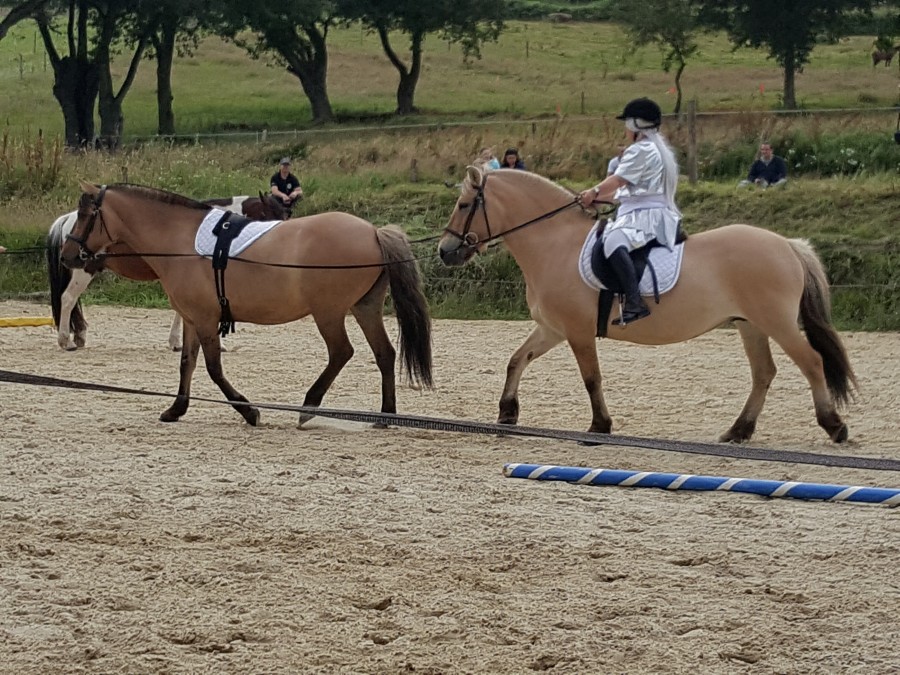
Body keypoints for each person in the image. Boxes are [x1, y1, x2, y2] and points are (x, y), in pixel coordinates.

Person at [578, 97, 681, 326]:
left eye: (626, 124)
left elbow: (618, 180)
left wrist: (593, 191)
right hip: (650, 211)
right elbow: (632, 191)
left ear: (635, 125)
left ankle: (635, 303)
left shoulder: (640, 149)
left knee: (612, 241)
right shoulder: (659, 148)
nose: (625, 130)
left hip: (645, 216)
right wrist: (599, 199)